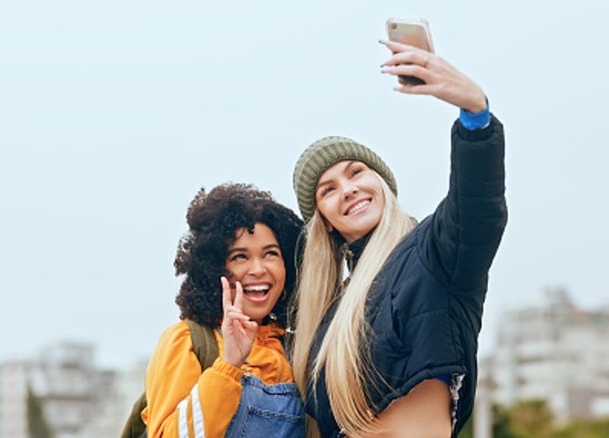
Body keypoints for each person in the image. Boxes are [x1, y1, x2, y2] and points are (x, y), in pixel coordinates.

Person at [288, 38, 507, 438]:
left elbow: (478, 209)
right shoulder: (328, 319)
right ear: (325, 221)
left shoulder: (432, 252)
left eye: (356, 172)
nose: (348, 189)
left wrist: (476, 118)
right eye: (328, 189)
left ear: (381, 182)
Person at [141, 183, 305, 438]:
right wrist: (229, 364)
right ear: (212, 270)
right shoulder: (188, 342)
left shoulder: (296, 350)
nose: (259, 269)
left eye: (271, 254)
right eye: (240, 257)